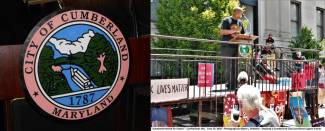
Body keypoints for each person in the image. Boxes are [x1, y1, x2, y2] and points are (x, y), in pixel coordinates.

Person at [220, 6, 246, 90]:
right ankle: (229, 84)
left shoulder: (240, 22)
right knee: (228, 66)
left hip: (236, 46)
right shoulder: (227, 20)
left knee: (235, 66)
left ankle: (234, 85)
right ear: (235, 12)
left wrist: (247, 37)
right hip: (227, 46)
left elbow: (242, 34)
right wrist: (233, 31)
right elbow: (222, 31)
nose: (241, 14)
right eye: (240, 12)